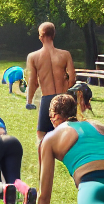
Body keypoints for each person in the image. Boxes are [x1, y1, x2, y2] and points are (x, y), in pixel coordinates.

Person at [26, 22, 75, 150]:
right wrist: (65, 90)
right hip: (63, 97)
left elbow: (33, 82)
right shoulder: (65, 54)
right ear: (54, 35)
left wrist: (29, 100)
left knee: (42, 135)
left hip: (47, 99)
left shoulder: (33, 57)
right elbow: (72, 79)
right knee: (68, 133)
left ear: (40, 37)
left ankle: (44, 166)